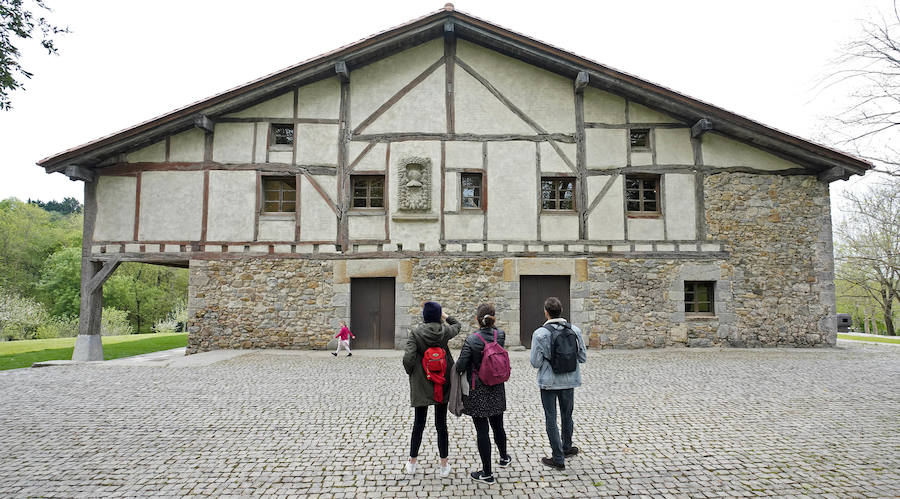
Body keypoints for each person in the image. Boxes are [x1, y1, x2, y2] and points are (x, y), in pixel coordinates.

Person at [403, 301, 462, 477]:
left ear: (424, 316)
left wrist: (413, 373)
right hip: (441, 382)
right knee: (441, 424)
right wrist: (444, 315)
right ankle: (444, 465)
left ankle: (412, 462)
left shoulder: (416, 332)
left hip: (422, 383)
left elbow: (408, 358)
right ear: (437, 316)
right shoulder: (444, 331)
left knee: (419, 424)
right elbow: (457, 325)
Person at [455, 303, 511, 485]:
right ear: (494, 317)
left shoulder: (472, 340)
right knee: (498, 425)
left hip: (478, 389)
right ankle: (504, 457)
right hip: (496, 386)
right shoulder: (500, 335)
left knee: (482, 431)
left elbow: (461, 365)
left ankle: (487, 473)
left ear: (477, 320)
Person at [529, 296, 587, 471]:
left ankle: (557, 457)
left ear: (546, 312)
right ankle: (567, 447)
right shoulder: (575, 330)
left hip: (549, 381)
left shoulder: (540, 334)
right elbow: (582, 357)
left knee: (551, 418)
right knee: (567, 415)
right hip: (570, 380)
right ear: (561, 311)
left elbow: (535, 363)